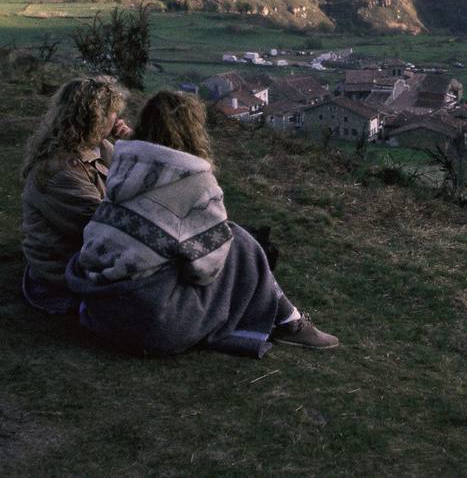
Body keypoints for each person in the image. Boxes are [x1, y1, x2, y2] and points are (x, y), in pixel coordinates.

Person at [66, 90, 338, 357]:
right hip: (148, 326)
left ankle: (287, 318)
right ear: (193, 131)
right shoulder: (198, 184)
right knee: (240, 241)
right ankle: (290, 322)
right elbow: (206, 272)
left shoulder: (123, 168)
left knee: (201, 244)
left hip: (99, 311)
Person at [21, 76, 133, 315]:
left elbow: (138, 177)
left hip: (88, 259)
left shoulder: (99, 147)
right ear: (95, 118)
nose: (118, 119)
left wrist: (133, 144)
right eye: (113, 112)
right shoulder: (60, 171)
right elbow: (103, 229)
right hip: (64, 273)